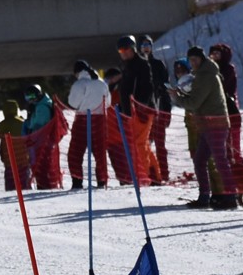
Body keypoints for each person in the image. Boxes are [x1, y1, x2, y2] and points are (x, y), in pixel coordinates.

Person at [168, 46, 237, 210]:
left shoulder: (206, 75)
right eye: (190, 60)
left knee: (221, 161)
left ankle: (230, 196)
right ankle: (205, 195)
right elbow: (197, 99)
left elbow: (194, 103)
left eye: (195, 59)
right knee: (200, 160)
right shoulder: (201, 75)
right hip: (207, 124)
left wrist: (176, 97)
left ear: (202, 59)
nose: (193, 63)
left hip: (216, 123)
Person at [116, 35, 160, 184]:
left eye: (126, 49)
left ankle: (145, 176)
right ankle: (154, 176)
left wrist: (140, 107)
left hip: (142, 110)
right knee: (143, 143)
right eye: (121, 50)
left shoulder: (141, 64)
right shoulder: (126, 66)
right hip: (131, 112)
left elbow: (148, 87)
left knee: (138, 143)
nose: (123, 53)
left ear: (133, 48)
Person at [66, 59, 111, 189]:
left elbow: (73, 103)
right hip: (100, 120)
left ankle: (77, 181)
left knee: (75, 151)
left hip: (82, 119)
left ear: (77, 72)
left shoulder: (79, 84)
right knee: (100, 152)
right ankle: (102, 181)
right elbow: (107, 103)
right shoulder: (102, 83)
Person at [140, 35, 172, 183]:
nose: (146, 47)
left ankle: (163, 174)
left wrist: (168, 111)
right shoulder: (136, 65)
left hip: (159, 110)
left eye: (148, 44)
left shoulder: (158, 64)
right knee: (143, 144)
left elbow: (166, 88)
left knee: (160, 145)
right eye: (143, 45)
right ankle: (148, 174)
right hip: (142, 112)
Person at [210, 43, 243, 168]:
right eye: (212, 54)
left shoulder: (228, 69)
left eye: (217, 54)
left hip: (230, 110)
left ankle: (238, 166)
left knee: (233, 144)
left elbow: (226, 88)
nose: (214, 56)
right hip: (214, 112)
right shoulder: (207, 69)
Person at [22, 84, 58, 190]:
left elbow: (39, 124)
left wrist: (28, 123)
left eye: (31, 97)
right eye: (27, 97)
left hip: (42, 140)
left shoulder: (42, 107)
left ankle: (45, 186)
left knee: (41, 164)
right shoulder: (39, 105)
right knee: (39, 164)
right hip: (40, 139)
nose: (30, 100)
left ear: (38, 94)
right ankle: (43, 185)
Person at [0, 99, 30, 191]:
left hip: (9, 161)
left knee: (10, 186)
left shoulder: (2, 125)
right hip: (24, 160)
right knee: (24, 186)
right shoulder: (23, 122)